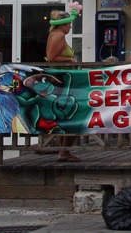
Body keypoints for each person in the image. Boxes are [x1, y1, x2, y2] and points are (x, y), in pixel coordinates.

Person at [46, 9, 79, 162]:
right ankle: (64, 151)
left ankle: (64, 151)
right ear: (63, 24)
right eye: (70, 24)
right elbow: (52, 58)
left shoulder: (55, 35)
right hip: (61, 80)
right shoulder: (58, 36)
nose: (71, 27)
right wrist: (70, 61)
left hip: (61, 79)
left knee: (63, 116)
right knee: (74, 114)